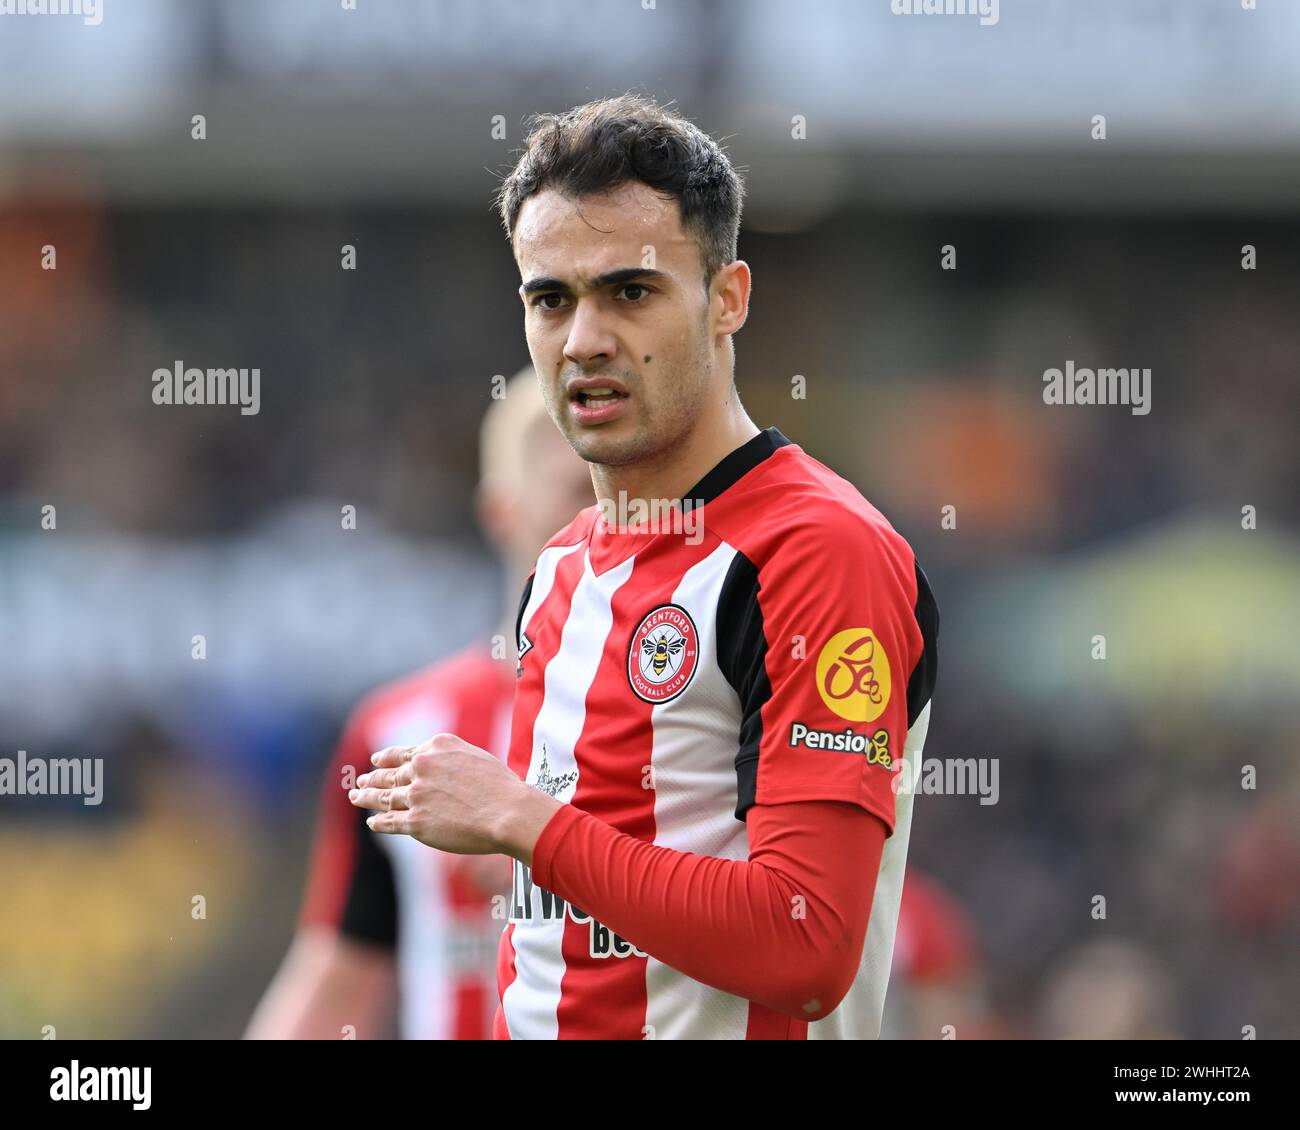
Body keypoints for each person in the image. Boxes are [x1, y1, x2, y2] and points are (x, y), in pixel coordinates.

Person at [350, 93, 939, 1040]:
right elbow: (548, 958)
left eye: (631, 290)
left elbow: (807, 944)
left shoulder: (817, 551)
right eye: (552, 299)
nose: (585, 339)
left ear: (728, 299)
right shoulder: (565, 564)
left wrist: (523, 822)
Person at [247, 368, 593, 1039]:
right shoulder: (399, 731)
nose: (611, 514)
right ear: (504, 511)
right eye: (581, 489)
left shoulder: (695, 713)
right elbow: (336, 985)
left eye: (630, 491)